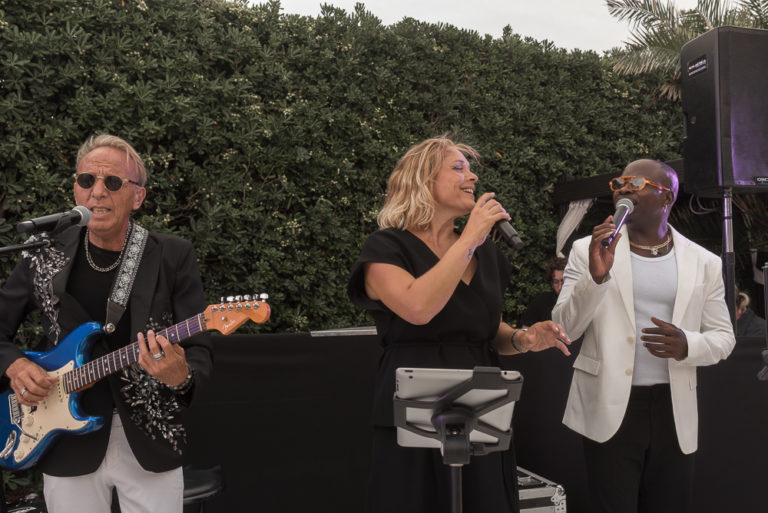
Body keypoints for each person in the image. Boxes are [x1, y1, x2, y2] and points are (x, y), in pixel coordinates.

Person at [348, 136, 571, 513]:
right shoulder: (386, 248)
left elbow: (487, 330)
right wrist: (469, 238)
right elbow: (418, 308)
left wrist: (524, 338)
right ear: (422, 180)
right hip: (413, 414)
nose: (473, 177)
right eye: (458, 168)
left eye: (470, 169)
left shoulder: (487, 254)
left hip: (481, 410)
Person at [0, 135, 213, 513]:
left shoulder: (171, 255)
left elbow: (198, 349)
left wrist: (181, 375)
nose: (97, 192)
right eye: (87, 180)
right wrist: (15, 366)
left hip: (149, 435)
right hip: (64, 437)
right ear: (75, 189)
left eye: (112, 182)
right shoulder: (43, 252)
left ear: (138, 197)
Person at [552, 159, 735, 513]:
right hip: (609, 404)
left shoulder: (704, 262)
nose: (623, 188)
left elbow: (724, 338)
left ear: (666, 197)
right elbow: (565, 328)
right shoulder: (585, 249)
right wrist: (596, 279)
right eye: (619, 182)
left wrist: (687, 345)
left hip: (673, 408)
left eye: (636, 183)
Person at [520, 256, 567, 327]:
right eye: (556, 282)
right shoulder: (542, 301)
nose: (560, 287)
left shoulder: (578, 301)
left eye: (563, 281)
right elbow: (525, 328)